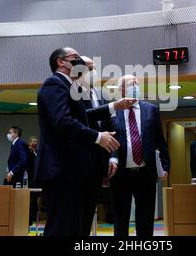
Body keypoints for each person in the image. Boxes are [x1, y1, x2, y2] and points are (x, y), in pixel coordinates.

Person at [35, 47, 136, 236]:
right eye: (76, 57)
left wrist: (114, 105)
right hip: (60, 169)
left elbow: (85, 115)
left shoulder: (69, 86)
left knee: (75, 227)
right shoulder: (54, 84)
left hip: (71, 170)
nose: (80, 61)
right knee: (61, 228)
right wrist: (98, 137)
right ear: (61, 62)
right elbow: (62, 122)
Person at [110, 75, 171, 236]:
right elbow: (108, 141)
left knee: (145, 217)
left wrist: (165, 165)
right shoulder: (112, 110)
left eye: (137, 83)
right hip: (121, 173)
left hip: (146, 172)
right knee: (120, 217)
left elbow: (159, 139)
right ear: (121, 89)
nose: (136, 86)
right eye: (132, 83)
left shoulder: (151, 109)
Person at [78, 56, 117, 236]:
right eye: (89, 67)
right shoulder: (74, 93)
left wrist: (111, 156)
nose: (93, 72)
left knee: (86, 216)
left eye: (94, 68)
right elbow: (81, 120)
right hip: (78, 163)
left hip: (96, 165)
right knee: (74, 219)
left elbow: (108, 128)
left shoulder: (100, 94)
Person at [27, 136, 38, 226]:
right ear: (29, 143)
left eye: (36, 141)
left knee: (35, 199)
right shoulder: (27, 152)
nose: (35, 143)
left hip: (37, 179)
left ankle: (33, 217)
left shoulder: (37, 152)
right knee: (29, 200)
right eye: (33, 141)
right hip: (29, 179)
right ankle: (28, 219)